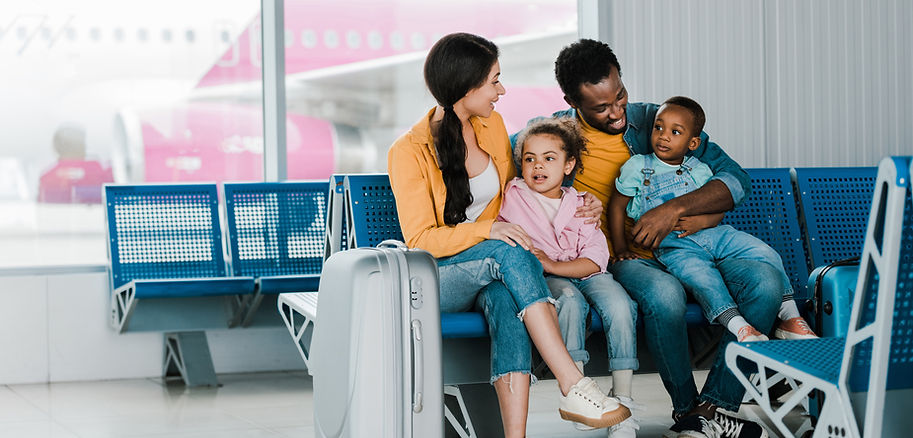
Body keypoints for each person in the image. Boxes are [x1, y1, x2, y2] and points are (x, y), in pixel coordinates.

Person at [515, 38, 779, 438]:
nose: (617, 112)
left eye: (620, 96)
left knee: (766, 283)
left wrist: (673, 209)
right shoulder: (553, 134)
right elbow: (504, 166)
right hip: (625, 258)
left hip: (690, 244)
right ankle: (687, 411)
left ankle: (712, 408)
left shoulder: (656, 120)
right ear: (571, 101)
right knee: (665, 295)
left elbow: (734, 179)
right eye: (601, 108)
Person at [386, 33, 631, 437]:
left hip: (492, 270)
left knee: (506, 302)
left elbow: (533, 180)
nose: (501, 91)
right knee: (509, 251)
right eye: (494, 81)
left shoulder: (492, 125)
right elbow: (421, 240)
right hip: (439, 277)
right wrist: (489, 229)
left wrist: (581, 201)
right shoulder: (408, 150)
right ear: (467, 87)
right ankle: (572, 383)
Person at [609, 96, 817, 344]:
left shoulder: (699, 169)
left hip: (716, 235)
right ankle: (740, 327)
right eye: (658, 128)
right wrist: (620, 248)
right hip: (676, 248)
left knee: (766, 253)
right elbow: (616, 207)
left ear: (693, 143)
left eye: (675, 132)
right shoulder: (637, 167)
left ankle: (791, 317)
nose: (663, 136)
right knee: (704, 279)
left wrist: (703, 222)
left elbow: (719, 208)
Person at [498, 118, 640, 438]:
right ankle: (578, 391)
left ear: (568, 164)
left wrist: (553, 263)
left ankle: (623, 399)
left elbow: (595, 260)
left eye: (549, 158)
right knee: (569, 301)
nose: (538, 166)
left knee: (621, 305)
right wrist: (548, 267)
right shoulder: (511, 195)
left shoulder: (581, 203)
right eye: (530, 159)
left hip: (582, 272)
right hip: (549, 279)